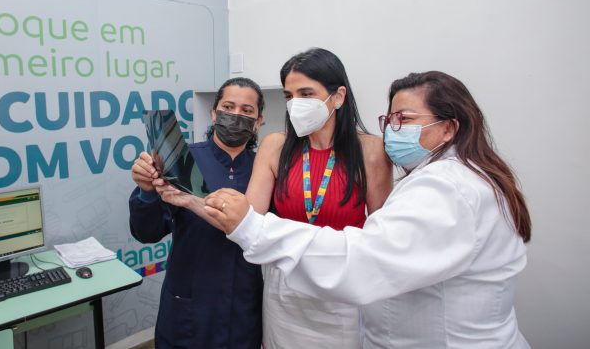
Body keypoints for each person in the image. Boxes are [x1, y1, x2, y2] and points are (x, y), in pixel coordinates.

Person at [202, 71, 532, 348]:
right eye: (390, 119)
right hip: (294, 300)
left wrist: (254, 228)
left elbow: (361, 261)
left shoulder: (448, 188)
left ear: (449, 128)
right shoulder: (449, 177)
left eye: (406, 119)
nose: (393, 130)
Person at [244, 48, 393, 348]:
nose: (295, 104)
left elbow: (382, 235)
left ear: (338, 97)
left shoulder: (371, 151)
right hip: (285, 290)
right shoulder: (275, 146)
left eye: (306, 94)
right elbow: (248, 220)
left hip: (342, 290)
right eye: (289, 96)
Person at [128, 77, 265, 348]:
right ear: (214, 113)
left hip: (244, 307)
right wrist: (147, 191)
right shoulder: (181, 161)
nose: (236, 115)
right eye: (228, 107)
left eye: (247, 110)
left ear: (258, 121)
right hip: (189, 305)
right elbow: (147, 232)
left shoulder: (265, 170)